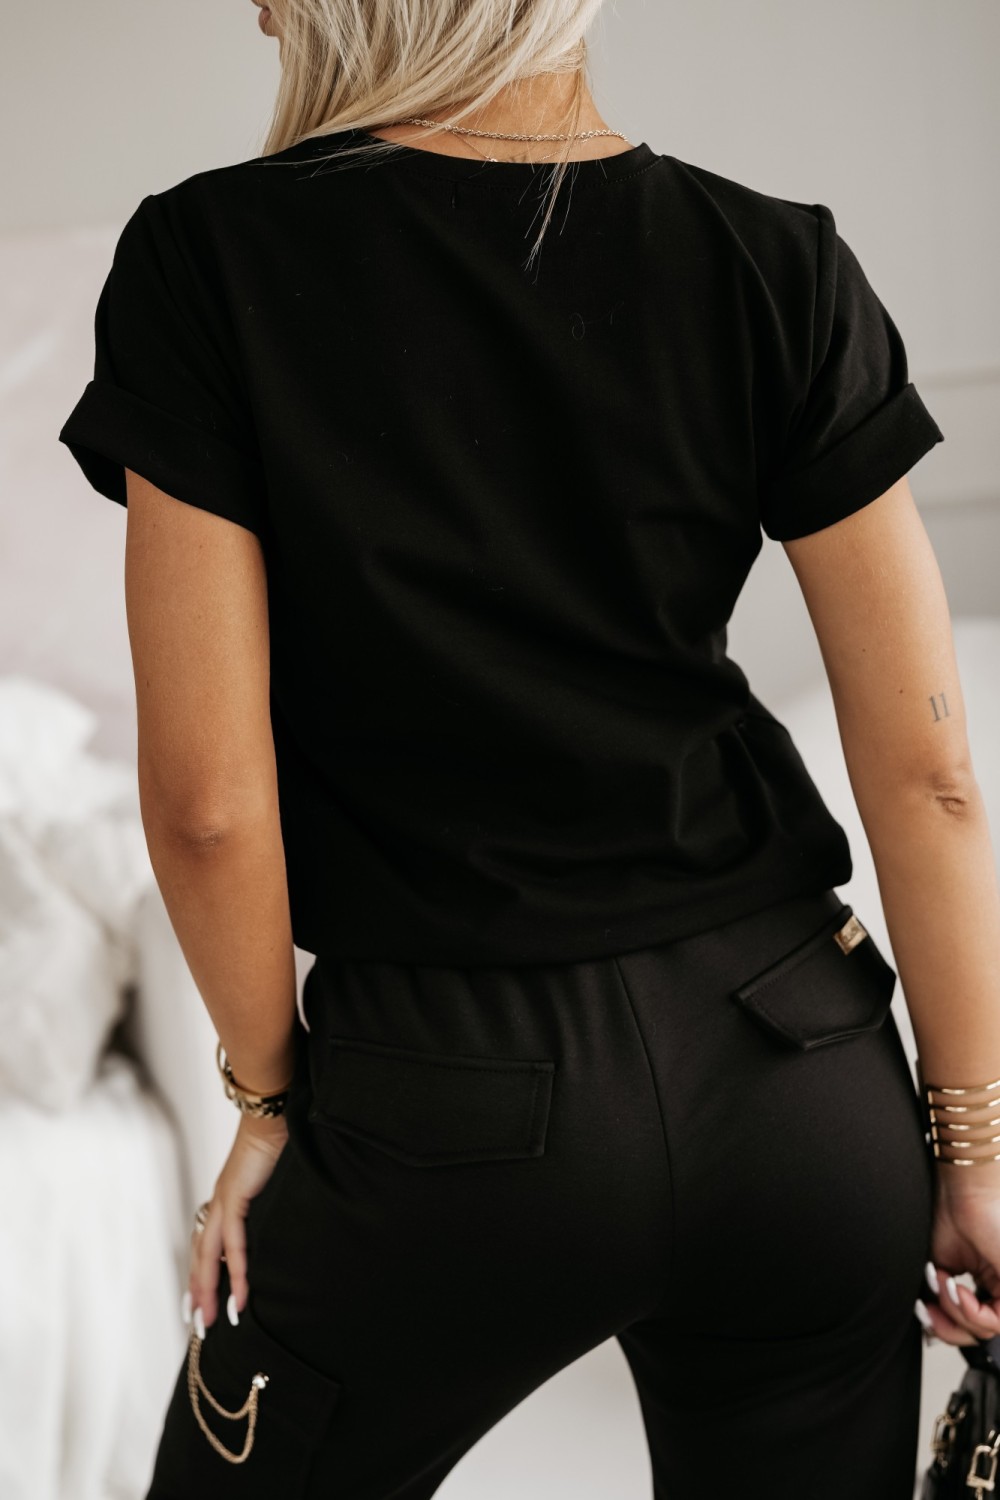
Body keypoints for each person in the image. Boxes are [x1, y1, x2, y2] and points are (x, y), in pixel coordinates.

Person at [56, 1, 1000, 1496]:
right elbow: (932, 778)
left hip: (452, 1101)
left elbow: (209, 808)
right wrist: (976, 1148)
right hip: (800, 1069)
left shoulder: (207, 258)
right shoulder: (774, 258)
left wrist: (268, 1103)